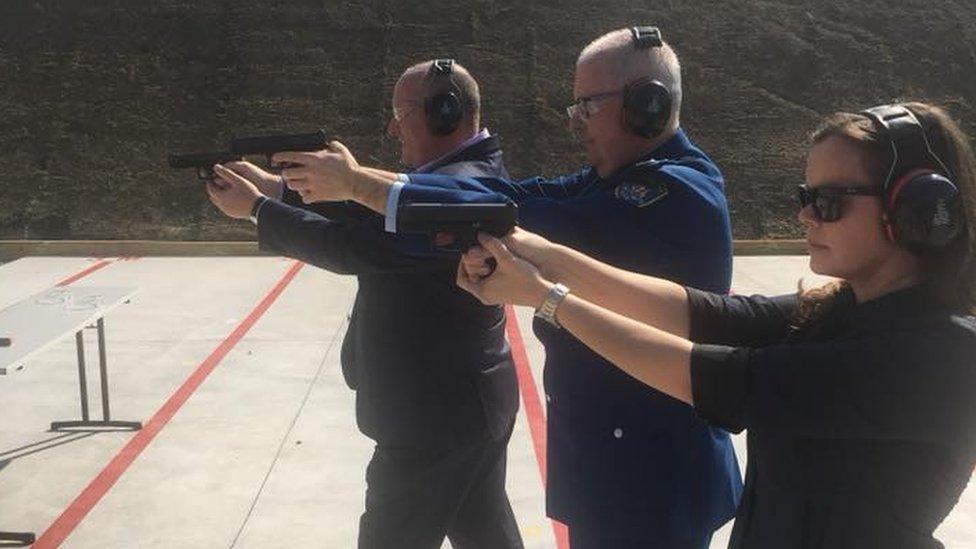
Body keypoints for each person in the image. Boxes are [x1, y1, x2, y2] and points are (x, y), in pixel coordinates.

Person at [276, 27, 741, 547]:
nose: (575, 121)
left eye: (588, 105)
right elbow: (503, 194)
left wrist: (358, 183)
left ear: (647, 105)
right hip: (612, 461)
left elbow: (513, 213)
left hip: (652, 474)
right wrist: (350, 184)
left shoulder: (674, 189)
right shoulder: (611, 178)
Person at [456, 102, 976, 548]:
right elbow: (704, 313)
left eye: (829, 202)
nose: (807, 216)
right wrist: (538, 252)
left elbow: (720, 377)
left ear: (913, 211)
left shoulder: (942, 355)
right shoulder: (844, 307)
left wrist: (547, 299)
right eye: (806, 197)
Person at [206, 59, 523, 549]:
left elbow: (355, 246)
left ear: (445, 112)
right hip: (463, 409)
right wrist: (279, 189)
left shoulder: (467, 182)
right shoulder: (455, 175)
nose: (393, 126)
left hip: (432, 422)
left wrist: (257, 209)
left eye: (401, 112)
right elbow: (378, 207)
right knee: (485, 533)